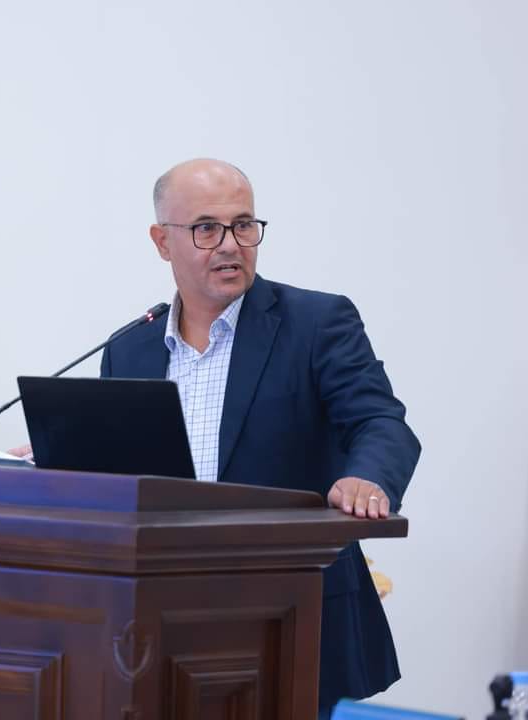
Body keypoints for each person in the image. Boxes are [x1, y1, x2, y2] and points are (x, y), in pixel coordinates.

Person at [102, 158, 421, 718]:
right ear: (162, 241)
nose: (230, 244)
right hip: (163, 623)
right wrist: (62, 468)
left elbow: (381, 421)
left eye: (243, 225)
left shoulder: (316, 323)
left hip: (292, 618)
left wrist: (367, 476)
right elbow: (120, 480)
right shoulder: (129, 349)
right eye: (206, 228)